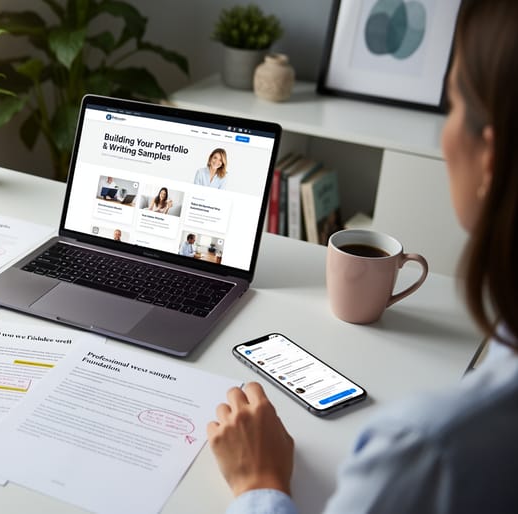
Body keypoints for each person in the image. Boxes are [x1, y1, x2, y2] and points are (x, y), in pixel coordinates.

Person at [207, 1, 518, 512]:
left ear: (491, 155)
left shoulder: (422, 452)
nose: (444, 132)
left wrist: (260, 483)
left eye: (452, 105)